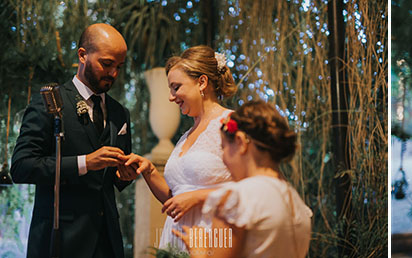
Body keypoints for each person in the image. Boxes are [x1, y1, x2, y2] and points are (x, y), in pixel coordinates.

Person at [11, 23, 143, 258]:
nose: (113, 73)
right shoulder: (49, 102)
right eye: (107, 64)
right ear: (82, 55)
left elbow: (112, 179)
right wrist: (85, 162)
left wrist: (125, 176)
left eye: (119, 67)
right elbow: (22, 167)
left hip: (107, 242)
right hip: (60, 240)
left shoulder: (119, 112)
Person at [171, 100, 313, 257]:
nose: (223, 158)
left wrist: (198, 250)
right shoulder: (298, 205)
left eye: (223, 147)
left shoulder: (236, 199)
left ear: (240, 142)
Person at [134, 45, 238, 253]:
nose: (171, 97)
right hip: (176, 239)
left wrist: (198, 197)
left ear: (202, 82)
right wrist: (149, 170)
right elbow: (177, 198)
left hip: (213, 240)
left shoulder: (232, 124)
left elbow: (254, 187)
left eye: (176, 87)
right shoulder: (185, 137)